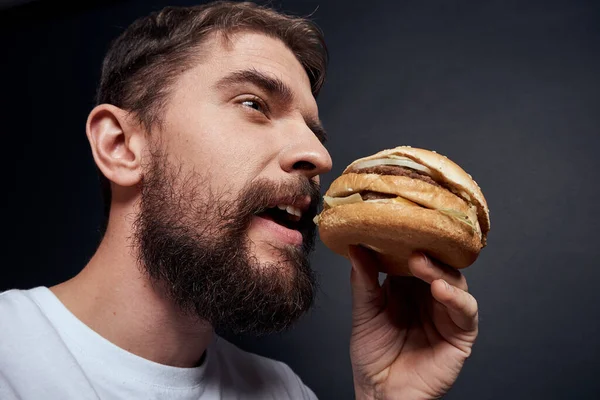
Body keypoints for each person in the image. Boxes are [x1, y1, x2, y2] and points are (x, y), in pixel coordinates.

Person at [0, 1, 479, 399]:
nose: (319, 156)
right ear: (121, 147)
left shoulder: (285, 391)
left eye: (313, 131)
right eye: (254, 104)